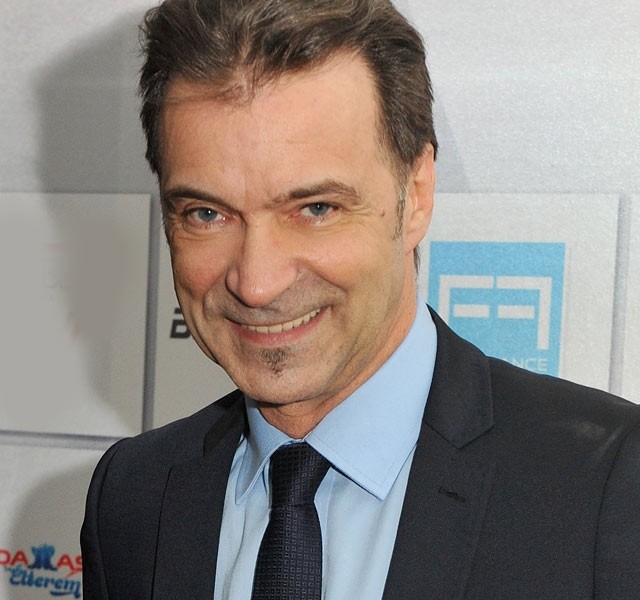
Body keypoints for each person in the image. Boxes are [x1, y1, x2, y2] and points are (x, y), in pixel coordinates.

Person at [81, 0, 640, 598]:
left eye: (316, 208)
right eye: (206, 213)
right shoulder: (133, 496)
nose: (256, 282)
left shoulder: (611, 490)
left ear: (415, 194)